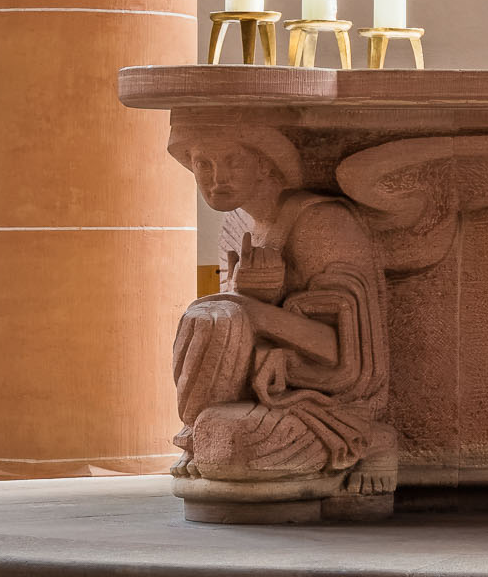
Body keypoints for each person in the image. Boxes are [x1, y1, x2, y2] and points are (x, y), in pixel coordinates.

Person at [168, 123, 394, 502]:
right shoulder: (238, 225)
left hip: (327, 399)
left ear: (265, 164)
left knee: (234, 449)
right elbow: (233, 340)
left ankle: (374, 440)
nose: (217, 179)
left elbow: (351, 357)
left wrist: (252, 309)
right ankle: (197, 429)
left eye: (233, 162)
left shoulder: (322, 223)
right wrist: (246, 303)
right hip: (262, 390)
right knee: (209, 319)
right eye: (203, 164)